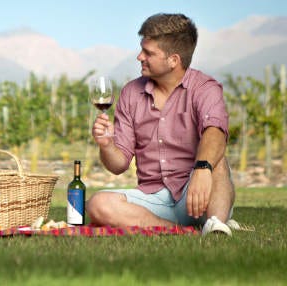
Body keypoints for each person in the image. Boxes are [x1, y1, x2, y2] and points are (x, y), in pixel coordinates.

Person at [86, 13, 238, 235]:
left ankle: (215, 223)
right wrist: (107, 145)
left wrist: (202, 169)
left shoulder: (205, 88)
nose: (139, 57)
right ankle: (181, 230)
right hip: (153, 198)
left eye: (148, 53)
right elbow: (118, 165)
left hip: (198, 192)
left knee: (217, 160)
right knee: (97, 204)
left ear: (173, 60)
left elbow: (215, 132)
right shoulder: (131, 93)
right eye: (141, 49)